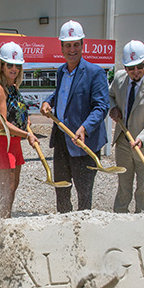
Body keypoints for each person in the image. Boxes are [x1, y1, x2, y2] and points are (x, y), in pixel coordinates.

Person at [40, 20, 109, 213]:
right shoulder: (62, 71)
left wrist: (85, 128)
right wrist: (48, 102)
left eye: (76, 44)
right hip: (62, 138)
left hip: (83, 142)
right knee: (61, 188)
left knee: (83, 194)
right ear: (61, 47)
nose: (72, 49)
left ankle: (83, 228)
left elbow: (102, 106)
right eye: (68, 45)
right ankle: (64, 224)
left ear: (82, 45)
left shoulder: (95, 73)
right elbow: (61, 94)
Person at [108, 40, 144, 213]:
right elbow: (110, 94)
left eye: (139, 66)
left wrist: (142, 138)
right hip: (123, 142)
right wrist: (113, 107)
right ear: (125, 67)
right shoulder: (120, 78)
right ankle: (120, 217)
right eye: (130, 67)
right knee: (123, 186)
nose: (135, 71)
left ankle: (142, 222)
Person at [0, 42, 37, 218]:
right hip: (2, 142)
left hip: (14, 142)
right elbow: (3, 124)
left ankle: (6, 218)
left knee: (13, 186)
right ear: (2, 65)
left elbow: (18, 113)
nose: (14, 68)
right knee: (6, 189)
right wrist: (28, 134)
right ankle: (3, 223)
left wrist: (26, 120)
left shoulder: (14, 88)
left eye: (17, 65)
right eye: (10, 64)